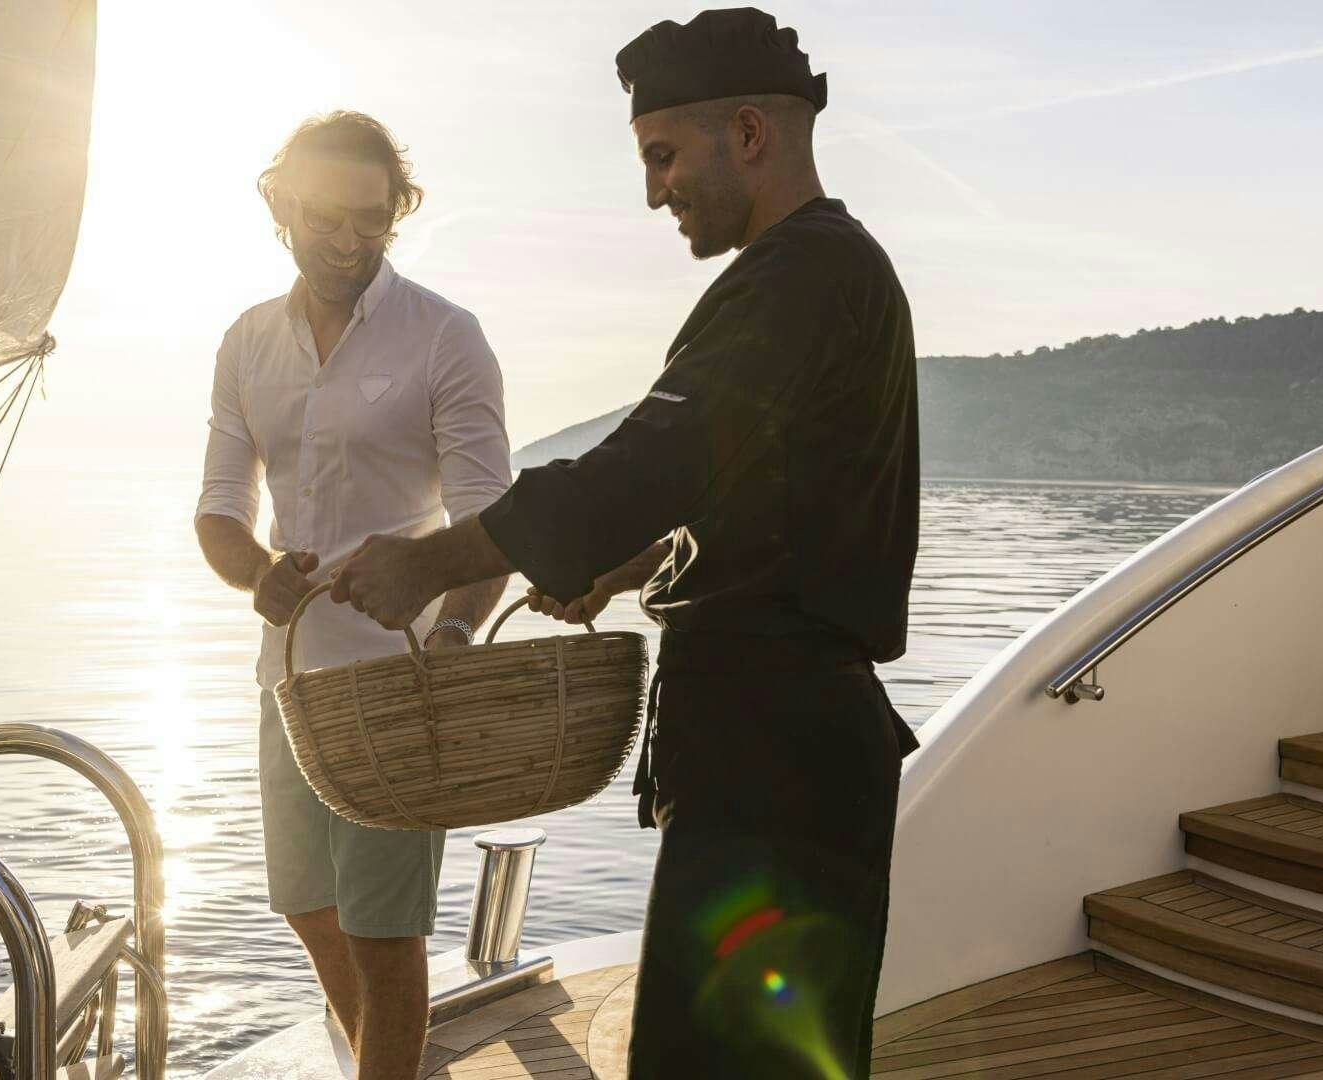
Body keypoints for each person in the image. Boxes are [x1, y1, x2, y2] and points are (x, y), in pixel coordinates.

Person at [328, 10, 920, 1077]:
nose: (655, 191)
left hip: (775, 764)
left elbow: (654, 459)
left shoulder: (798, 278)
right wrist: (629, 565)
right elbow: (755, 492)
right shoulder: (828, 276)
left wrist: (430, 561)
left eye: (663, 156)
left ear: (748, 133)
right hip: (784, 753)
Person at [194, 111, 511, 1080]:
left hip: (402, 686)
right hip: (289, 688)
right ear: (284, 205)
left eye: (373, 220)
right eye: (329, 217)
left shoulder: (446, 338)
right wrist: (260, 576)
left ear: (395, 215)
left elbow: (493, 530)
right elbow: (215, 515)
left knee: (384, 938)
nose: (349, 239)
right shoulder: (247, 343)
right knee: (304, 905)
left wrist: (454, 633)